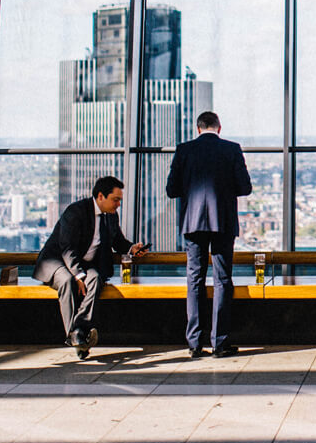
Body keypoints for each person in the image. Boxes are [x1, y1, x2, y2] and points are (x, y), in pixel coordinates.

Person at [166, 110, 252, 358]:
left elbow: (172, 190)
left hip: (193, 223)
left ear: (198, 129)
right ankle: (220, 343)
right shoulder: (232, 149)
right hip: (222, 221)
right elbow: (245, 187)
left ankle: (194, 343)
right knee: (223, 279)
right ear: (219, 128)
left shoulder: (184, 150)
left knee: (194, 279)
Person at [33, 176, 147, 358]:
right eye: (115, 199)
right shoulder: (76, 212)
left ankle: (78, 332)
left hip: (84, 264)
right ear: (100, 196)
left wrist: (132, 248)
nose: (118, 204)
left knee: (95, 279)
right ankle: (79, 336)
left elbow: (118, 241)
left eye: (119, 200)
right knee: (68, 281)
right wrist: (78, 275)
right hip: (57, 261)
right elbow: (67, 248)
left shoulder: (111, 216)